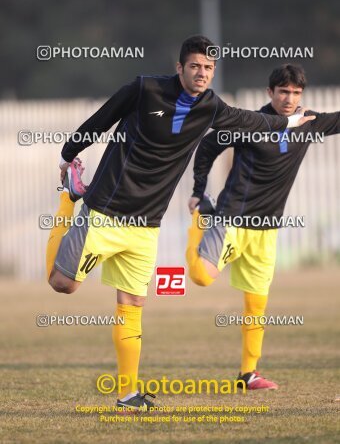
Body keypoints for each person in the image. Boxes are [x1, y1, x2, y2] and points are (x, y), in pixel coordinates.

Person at [46, 38, 313, 411]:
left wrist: (287, 120)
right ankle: (67, 200)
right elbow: (100, 120)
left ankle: (126, 395)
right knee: (63, 285)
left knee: (132, 304)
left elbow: (251, 118)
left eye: (208, 68)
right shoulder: (144, 88)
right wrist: (68, 154)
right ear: (180, 67)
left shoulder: (211, 107)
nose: (202, 73)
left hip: (147, 225)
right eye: (195, 66)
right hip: (106, 209)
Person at [186, 64, 340, 390]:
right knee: (200, 276)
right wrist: (199, 192)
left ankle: (248, 374)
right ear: (270, 92)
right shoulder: (251, 123)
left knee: (256, 305)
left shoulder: (308, 123)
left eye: (296, 92)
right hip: (231, 220)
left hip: (267, 231)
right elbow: (208, 145)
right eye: (283, 91)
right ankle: (199, 221)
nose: (289, 98)